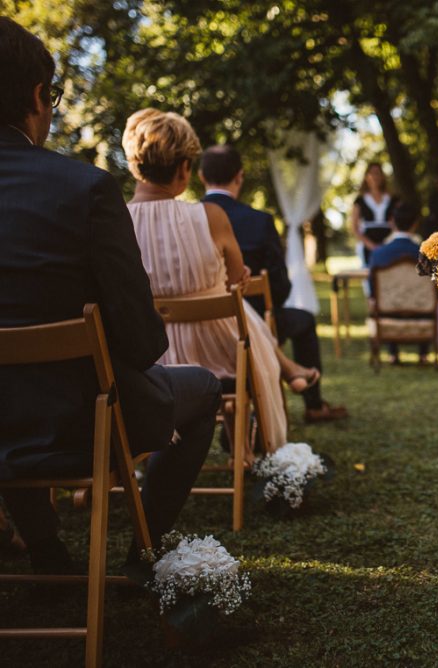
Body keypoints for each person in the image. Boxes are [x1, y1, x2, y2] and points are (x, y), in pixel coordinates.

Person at [0, 17, 219, 572]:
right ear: (36, 96)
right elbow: (144, 341)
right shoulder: (85, 189)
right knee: (202, 388)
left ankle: (47, 551)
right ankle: (141, 554)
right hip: (82, 424)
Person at [123, 108, 319, 454]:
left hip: (149, 354)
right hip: (222, 353)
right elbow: (235, 281)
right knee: (239, 311)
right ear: (185, 169)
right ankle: (286, 374)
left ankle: (288, 370)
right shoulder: (210, 216)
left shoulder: (117, 222)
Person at [200, 144, 347, 423]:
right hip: (254, 323)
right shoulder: (259, 221)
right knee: (303, 319)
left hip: (195, 328)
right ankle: (313, 404)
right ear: (239, 176)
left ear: (200, 176)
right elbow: (280, 287)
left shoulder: (187, 222)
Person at [368, 202, 429, 364]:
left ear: (392, 223)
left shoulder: (378, 254)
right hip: (422, 312)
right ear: (415, 224)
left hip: (389, 312)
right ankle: (423, 354)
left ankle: (393, 353)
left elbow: (373, 290)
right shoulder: (425, 254)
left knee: (386, 299)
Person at [351, 163, 397, 267]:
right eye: (372, 173)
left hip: (389, 242)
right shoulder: (360, 201)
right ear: (366, 176)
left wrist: (388, 243)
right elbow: (354, 228)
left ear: (383, 176)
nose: (375, 176)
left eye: (378, 173)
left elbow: (397, 223)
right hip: (367, 243)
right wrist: (370, 245)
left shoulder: (392, 199)